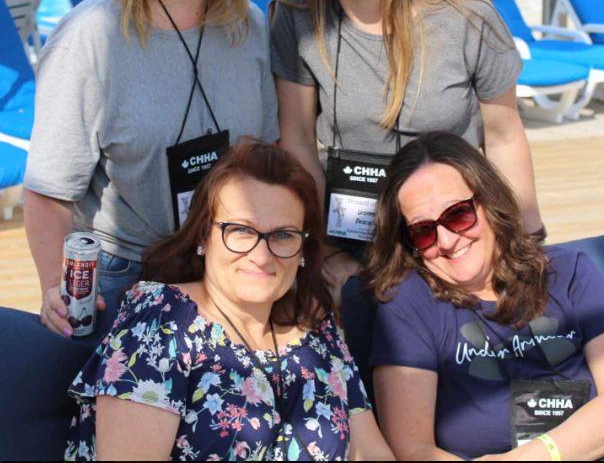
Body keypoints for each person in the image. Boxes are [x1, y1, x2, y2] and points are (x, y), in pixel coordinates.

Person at [23, 0, 279, 338]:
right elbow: (49, 194)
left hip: (232, 270)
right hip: (124, 280)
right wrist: (59, 289)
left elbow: (268, 157)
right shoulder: (90, 38)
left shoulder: (249, 27)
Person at [270, 0, 544, 290]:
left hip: (454, 243)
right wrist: (329, 253)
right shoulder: (297, 17)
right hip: (351, 249)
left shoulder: (467, 14)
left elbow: (504, 136)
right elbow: (298, 140)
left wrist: (529, 239)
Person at [64, 139, 393, 461]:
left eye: (282, 235)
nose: (261, 256)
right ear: (203, 236)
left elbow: (372, 452)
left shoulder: (317, 329)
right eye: (241, 230)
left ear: (303, 251)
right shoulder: (161, 325)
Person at [366, 131, 604, 461]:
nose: (446, 241)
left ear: (490, 202)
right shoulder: (409, 306)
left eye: (458, 214)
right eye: (423, 230)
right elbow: (413, 451)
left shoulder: (569, 273)